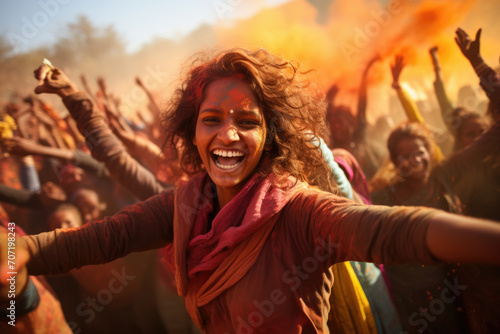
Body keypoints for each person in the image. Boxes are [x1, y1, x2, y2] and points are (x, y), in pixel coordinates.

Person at [2, 48, 500, 334]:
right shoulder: (182, 204)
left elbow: (399, 229)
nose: (228, 134)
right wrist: (14, 249)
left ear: (271, 136)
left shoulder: (301, 211)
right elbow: (94, 239)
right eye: (211, 119)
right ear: (193, 134)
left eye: (248, 121)